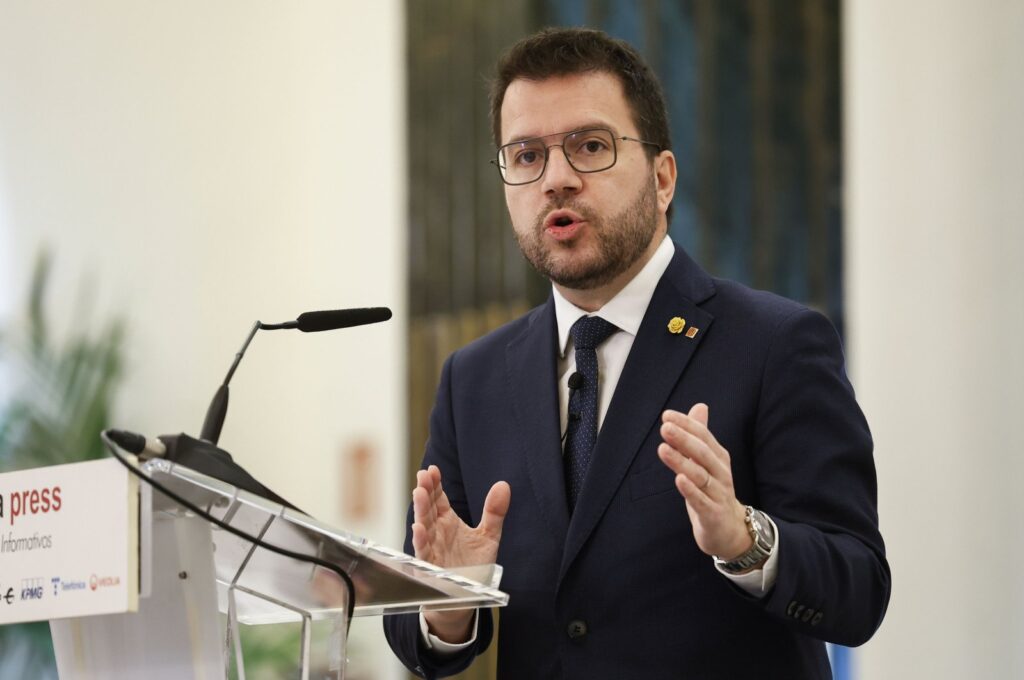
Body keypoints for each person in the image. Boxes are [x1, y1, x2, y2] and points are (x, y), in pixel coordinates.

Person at [384, 27, 890, 679]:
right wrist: (448, 604)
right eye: (526, 155)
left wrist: (744, 541)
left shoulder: (775, 343)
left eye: (589, 146)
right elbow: (414, 627)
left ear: (663, 176)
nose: (556, 180)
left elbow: (859, 591)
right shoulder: (473, 378)